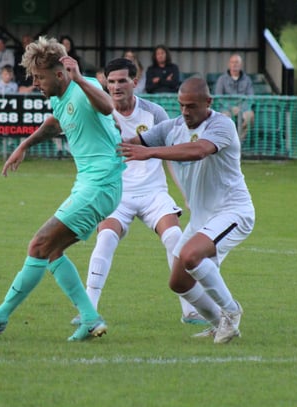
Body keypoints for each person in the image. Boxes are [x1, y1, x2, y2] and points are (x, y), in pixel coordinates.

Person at [0, 36, 125, 341]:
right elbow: (53, 123)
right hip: (93, 184)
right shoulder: (59, 96)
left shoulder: (81, 85)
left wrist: (79, 77)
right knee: (52, 252)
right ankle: (90, 318)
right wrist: (24, 145)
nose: (36, 83)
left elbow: (106, 106)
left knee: (38, 245)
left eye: (39, 77)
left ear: (60, 73)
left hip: (101, 183)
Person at [70, 57, 211, 327]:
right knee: (106, 239)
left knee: (175, 237)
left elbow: (170, 154)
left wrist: (186, 194)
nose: (116, 86)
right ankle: (88, 310)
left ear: (135, 82)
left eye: (122, 80)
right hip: (116, 192)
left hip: (152, 192)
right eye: (110, 81)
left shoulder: (154, 113)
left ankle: (190, 310)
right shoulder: (100, 112)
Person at [119, 77, 255, 344]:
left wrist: (152, 152)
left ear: (208, 103)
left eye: (191, 106)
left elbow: (199, 150)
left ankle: (231, 310)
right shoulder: (173, 127)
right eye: (181, 105)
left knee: (191, 256)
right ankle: (219, 324)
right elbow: (130, 143)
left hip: (233, 212)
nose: (185, 112)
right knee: (179, 283)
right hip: (203, 218)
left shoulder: (221, 124)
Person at [214, 53, 255, 141]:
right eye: (232, 62)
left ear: (240, 65)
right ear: (229, 64)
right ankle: (228, 142)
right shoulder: (222, 79)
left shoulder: (247, 80)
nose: (234, 64)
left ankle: (239, 142)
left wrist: (241, 108)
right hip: (226, 109)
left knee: (250, 116)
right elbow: (219, 97)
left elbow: (250, 97)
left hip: (243, 108)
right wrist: (231, 108)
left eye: (237, 62)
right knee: (225, 117)